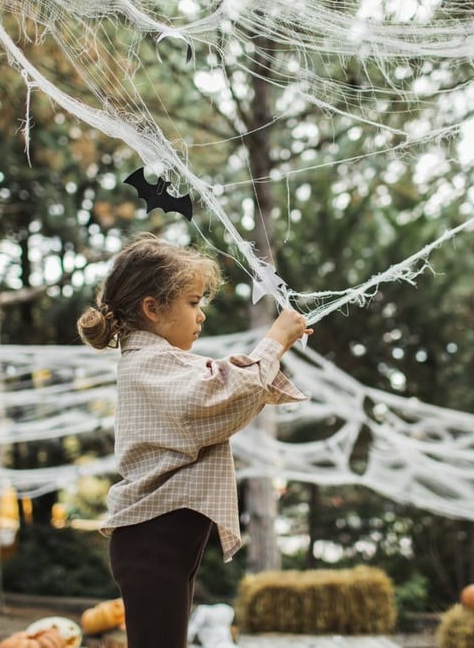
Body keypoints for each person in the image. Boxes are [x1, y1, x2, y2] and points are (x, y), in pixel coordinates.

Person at [77, 233, 312, 648]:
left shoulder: (164, 363)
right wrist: (274, 341)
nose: (201, 314)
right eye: (192, 302)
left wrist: (265, 354)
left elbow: (220, 384)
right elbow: (214, 398)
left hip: (164, 538)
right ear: (153, 309)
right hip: (153, 538)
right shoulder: (149, 362)